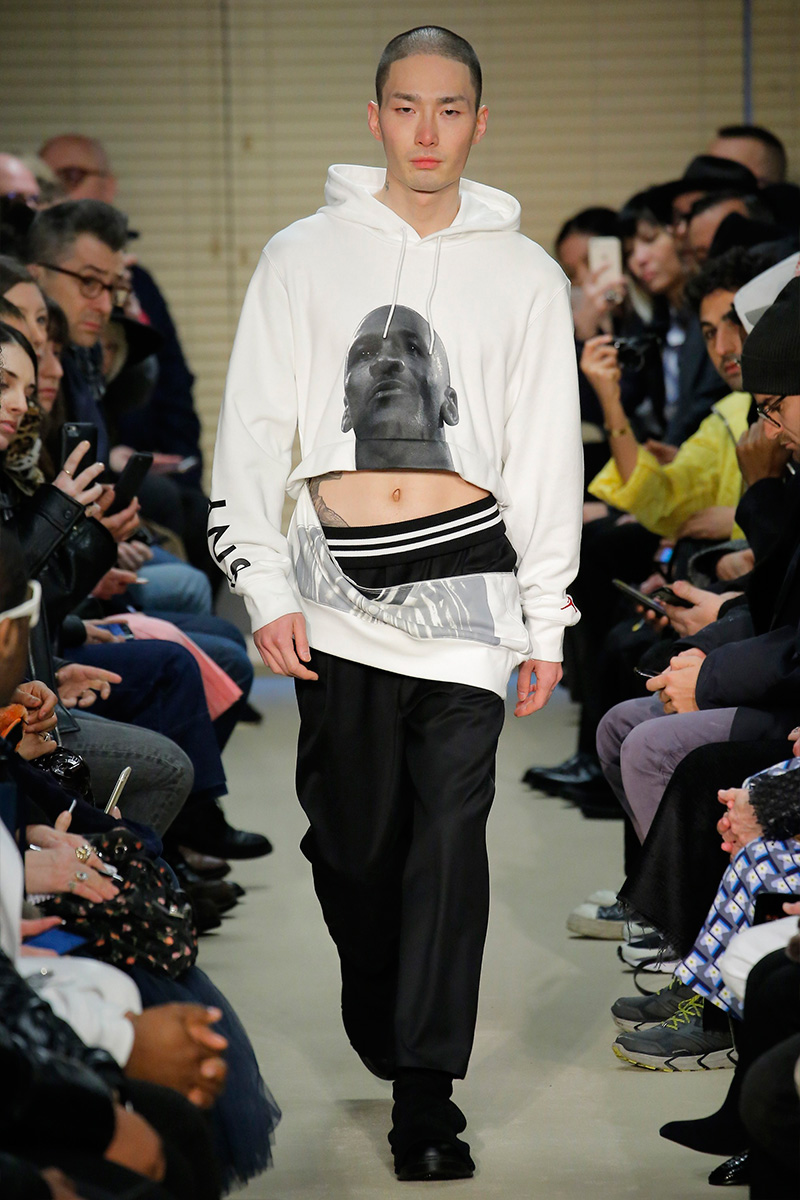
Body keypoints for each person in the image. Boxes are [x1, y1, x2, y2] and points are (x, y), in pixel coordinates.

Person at [210, 25, 582, 1181]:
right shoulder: (300, 256)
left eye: (449, 108)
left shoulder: (525, 275)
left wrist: (546, 615)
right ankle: (383, 1002)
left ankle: (425, 1096)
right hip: (332, 592)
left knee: (448, 844)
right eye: (406, 107)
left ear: (479, 120)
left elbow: (544, 452)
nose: (427, 131)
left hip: (468, 590)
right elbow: (252, 429)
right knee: (354, 850)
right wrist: (260, 583)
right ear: (373, 118)